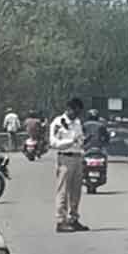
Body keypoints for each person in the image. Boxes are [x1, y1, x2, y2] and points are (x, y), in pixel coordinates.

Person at [50, 98, 89, 233]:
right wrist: (70, 141)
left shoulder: (77, 123)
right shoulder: (58, 123)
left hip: (78, 158)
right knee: (63, 191)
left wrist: (82, 142)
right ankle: (61, 221)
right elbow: (53, 142)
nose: (76, 114)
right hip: (65, 159)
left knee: (76, 191)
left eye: (78, 112)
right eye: (75, 111)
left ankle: (73, 218)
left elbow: (80, 139)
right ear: (68, 109)